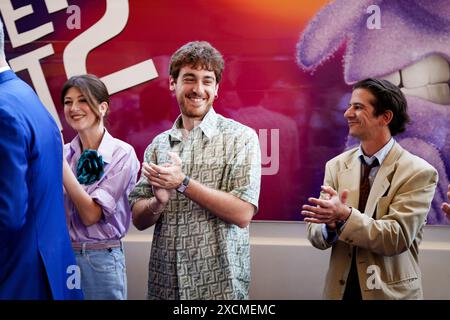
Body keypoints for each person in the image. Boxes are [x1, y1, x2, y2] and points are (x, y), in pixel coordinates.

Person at [129, 41, 261, 300]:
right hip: (165, 285)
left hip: (218, 288)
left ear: (217, 88)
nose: (198, 89)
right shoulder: (158, 144)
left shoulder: (240, 138)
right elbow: (138, 219)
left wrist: (183, 182)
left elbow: (243, 213)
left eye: (207, 80)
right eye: (189, 78)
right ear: (172, 83)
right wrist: (158, 201)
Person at [302, 78, 438, 300]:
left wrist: (345, 216)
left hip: (391, 294)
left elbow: (397, 238)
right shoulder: (335, 165)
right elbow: (315, 235)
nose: (348, 113)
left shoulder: (419, 172)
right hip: (340, 292)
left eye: (358, 107)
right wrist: (329, 225)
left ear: (385, 117)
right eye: (349, 106)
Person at [0, 18, 83, 299]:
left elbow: (7, 216)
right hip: (48, 274)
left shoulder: (3, 110)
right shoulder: (26, 97)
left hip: (16, 279)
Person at [61, 74, 139, 300]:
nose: (74, 108)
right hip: (65, 257)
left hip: (100, 259)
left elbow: (90, 215)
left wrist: (62, 169)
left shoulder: (121, 154)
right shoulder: (65, 153)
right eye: (68, 102)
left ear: (102, 107)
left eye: (83, 100)